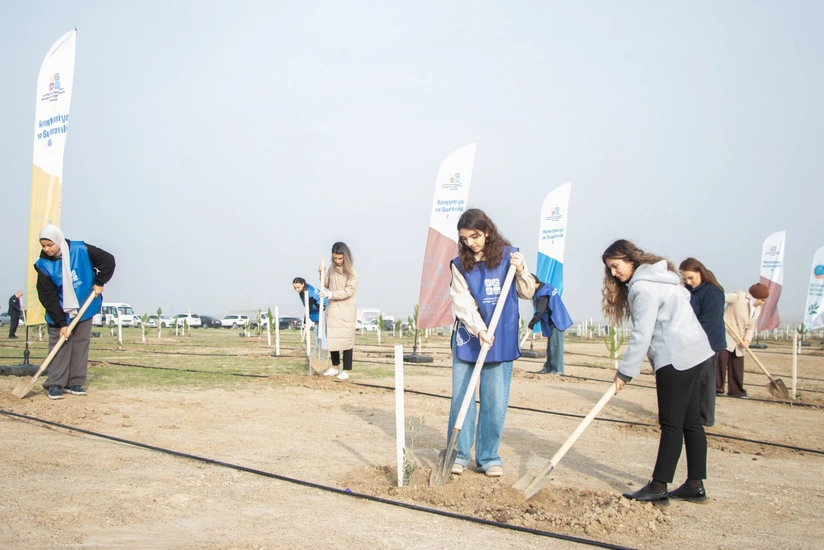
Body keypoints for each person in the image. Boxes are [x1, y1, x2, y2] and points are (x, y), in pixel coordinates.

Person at [603, 240, 714, 503]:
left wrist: (625, 372)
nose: (614, 273)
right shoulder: (665, 277)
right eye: (610, 269)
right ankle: (694, 484)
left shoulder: (642, 287)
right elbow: (685, 299)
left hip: (675, 358)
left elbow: (643, 333)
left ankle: (658, 486)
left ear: (630, 260)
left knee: (671, 424)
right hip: (697, 351)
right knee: (691, 423)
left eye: (616, 266)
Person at [447, 209, 535, 477]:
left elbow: (527, 291)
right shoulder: (459, 264)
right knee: (462, 399)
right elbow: (462, 302)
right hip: (470, 337)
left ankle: (488, 456)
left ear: (487, 232)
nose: (470, 242)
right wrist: (479, 329)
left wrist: (521, 272)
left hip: (501, 337)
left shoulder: (511, 257)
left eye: (475, 236)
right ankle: (458, 454)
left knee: (494, 401)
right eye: (465, 238)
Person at [34, 225, 115, 400]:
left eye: (50, 245)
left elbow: (108, 260)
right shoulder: (43, 265)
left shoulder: (80, 249)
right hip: (60, 310)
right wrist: (61, 323)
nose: (47, 249)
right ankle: (54, 384)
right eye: (43, 246)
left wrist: (100, 281)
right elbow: (48, 297)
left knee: (80, 344)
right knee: (60, 345)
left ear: (58, 240)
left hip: (85, 305)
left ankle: (75, 383)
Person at [679, 258, 726, 426]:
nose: (689, 282)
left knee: (705, 382)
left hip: (709, 343)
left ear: (700, 272)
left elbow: (709, 322)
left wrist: (690, 338)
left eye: (691, 277)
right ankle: (692, 415)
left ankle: (705, 419)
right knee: (693, 381)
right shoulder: (687, 292)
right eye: (685, 279)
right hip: (692, 342)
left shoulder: (713, 292)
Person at [717, 283, 769, 398]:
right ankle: (717, 388)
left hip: (739, 340)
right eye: (762, 300)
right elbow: (720, 298)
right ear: (756, 296)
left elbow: (751, 327)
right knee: (720, 363)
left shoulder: (757, 310)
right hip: (725, 335)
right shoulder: (739, 296)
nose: (763, 303)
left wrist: (747, 341)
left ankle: (736, 391)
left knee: (737, 366)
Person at [319, 242, 358, 381]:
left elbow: (349, 291)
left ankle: (346, 370)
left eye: (340, 259)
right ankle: (335, 366)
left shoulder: (352, 271)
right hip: (333, 308)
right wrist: (322, 273)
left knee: (346, 340)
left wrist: (331, 294)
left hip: (346, 308)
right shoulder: (332, 268)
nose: (337, 261)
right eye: (335, 258)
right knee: (333, 337)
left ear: (345, 257)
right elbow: (326, 284)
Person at [526, 275, 573, 374]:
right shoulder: (545, 287)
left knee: (556, 346)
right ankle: (548, 367)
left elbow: (540, 311)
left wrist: (531, 324)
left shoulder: (543, 293)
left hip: (557, 320)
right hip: (552, 321)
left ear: (534, 282)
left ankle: (557, 370)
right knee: (551, 347)